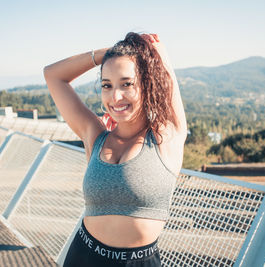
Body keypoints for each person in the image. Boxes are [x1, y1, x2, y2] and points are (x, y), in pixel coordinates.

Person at [43, 32, 187, 267]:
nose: (115, 96)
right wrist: (108, 54)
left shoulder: (166, 138)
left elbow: (168, 81)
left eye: (127, 84)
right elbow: (53, 75)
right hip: (83, 255)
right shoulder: (95, 136)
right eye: (107, 85)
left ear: (147, 83)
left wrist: (155, 53)